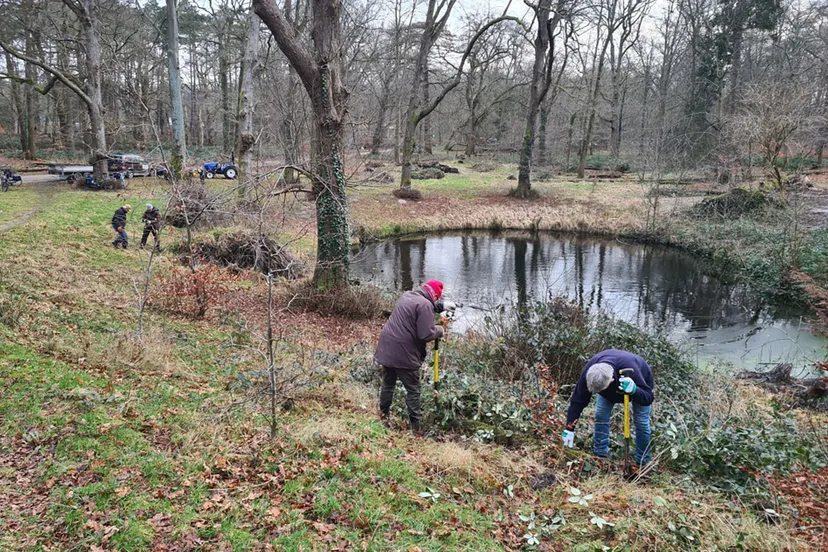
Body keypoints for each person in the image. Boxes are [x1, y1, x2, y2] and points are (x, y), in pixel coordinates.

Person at [375, 280, 456, 432]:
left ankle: (383, 416)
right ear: (434, 295)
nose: (436, 301)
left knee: (388, 383)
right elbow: (425, 334)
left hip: (387, 347)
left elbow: (420, 308)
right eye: (437, 299)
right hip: (404, 354)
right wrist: (440, 330)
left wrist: (440, 306)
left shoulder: (408, 296)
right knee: (413, 390)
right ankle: (415, 429)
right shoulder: (425, 305)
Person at [562, 349, 655, 465]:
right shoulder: (590, 371)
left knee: (641, 422)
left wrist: (635, 390)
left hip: (638, 385)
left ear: (611, 380)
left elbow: (648, 398)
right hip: (610, 390)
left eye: (600, 391)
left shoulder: (631, 369)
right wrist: (569, 428)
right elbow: (577, 401)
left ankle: (643, 461)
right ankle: (600, 455)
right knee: (600, 415)